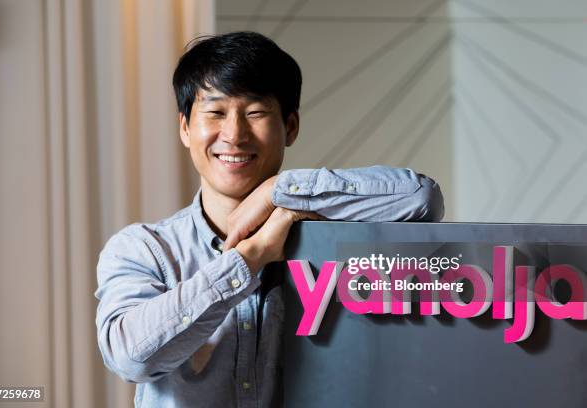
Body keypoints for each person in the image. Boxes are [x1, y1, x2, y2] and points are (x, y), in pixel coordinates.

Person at [94, 31, 444, 408]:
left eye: (255, 112)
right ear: (185, 128)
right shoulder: (144, 249)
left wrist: (277, 190)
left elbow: (419, 197)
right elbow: (131, 358)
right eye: (215, 113)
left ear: (290, 127)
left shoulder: (325, 238)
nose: (234, 134)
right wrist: (250, 257)